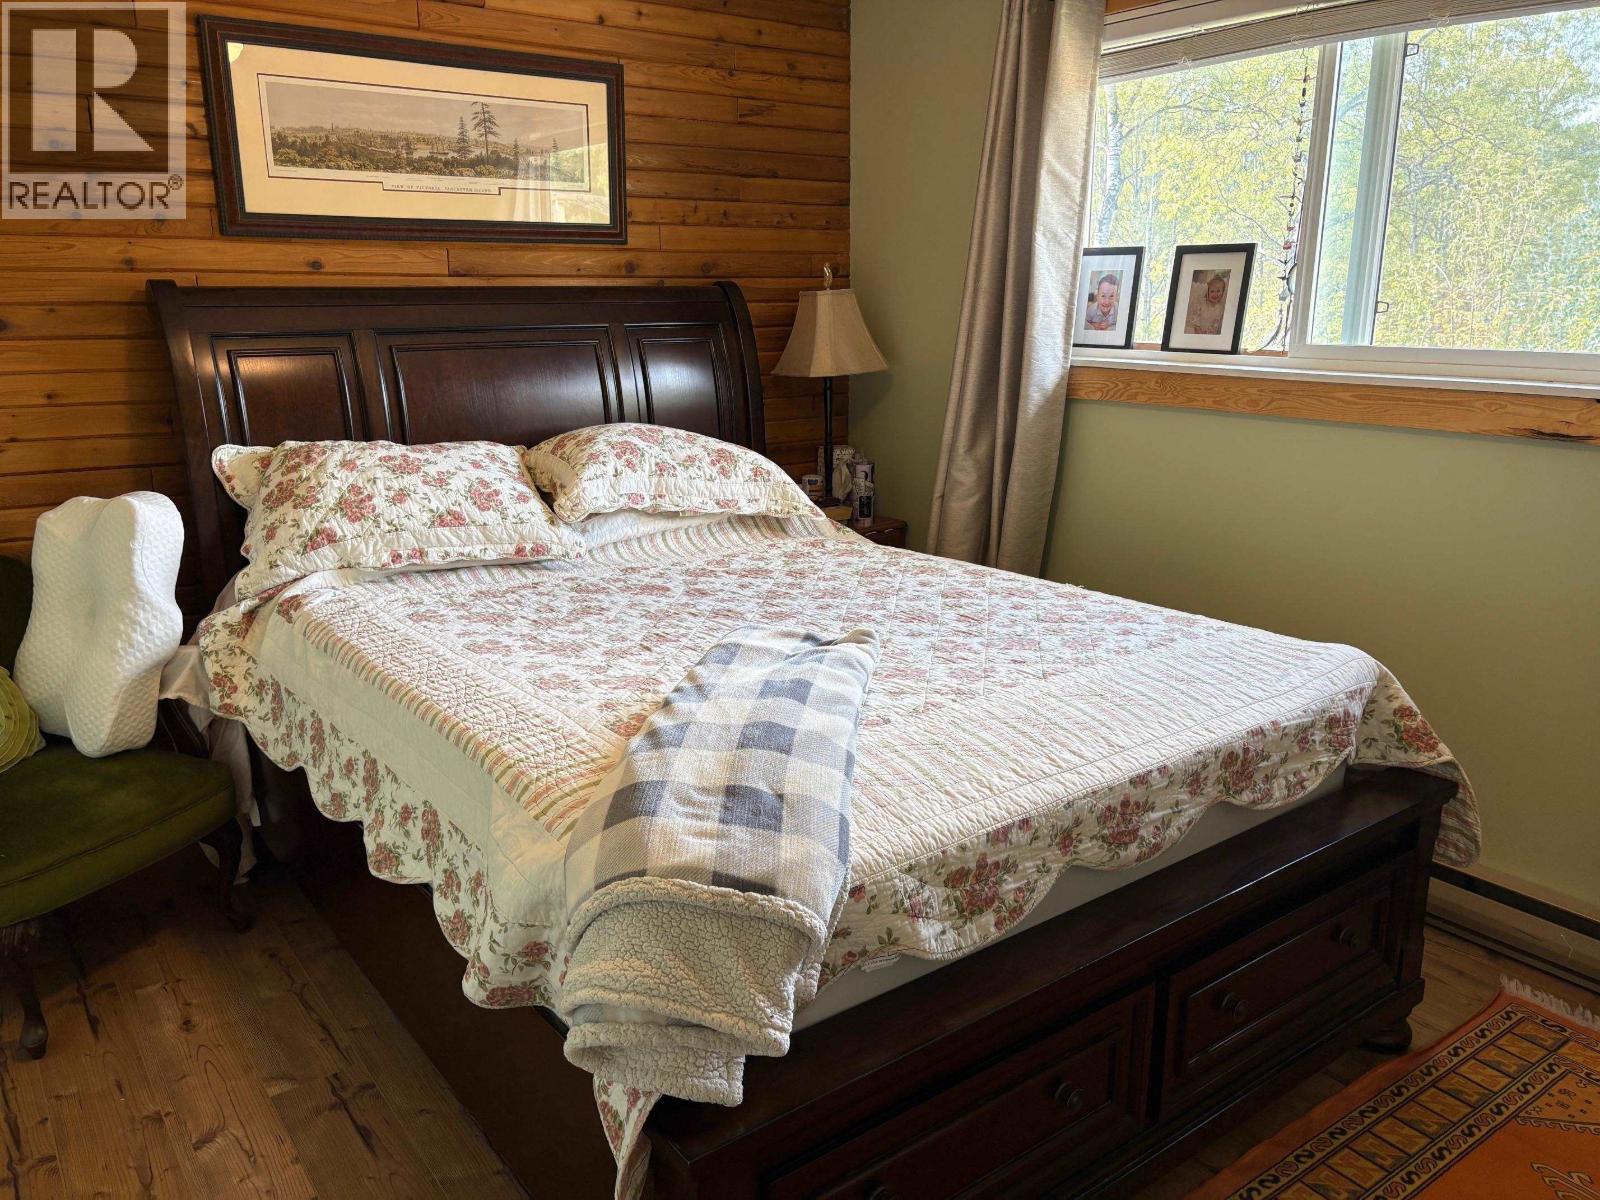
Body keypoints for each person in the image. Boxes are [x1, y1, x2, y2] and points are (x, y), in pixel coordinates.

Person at [1184, 271, 1229, 336]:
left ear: (1222, 293)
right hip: (1195, 328)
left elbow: (1215, 324)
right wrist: (1198, 328)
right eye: (1212, 291)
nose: (1215, 294)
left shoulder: (1219, 308)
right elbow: (1196, 316)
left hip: (1207, 333)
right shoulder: (1202, 302)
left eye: (1218, 291)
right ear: (1208, 292)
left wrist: (1207, 333)